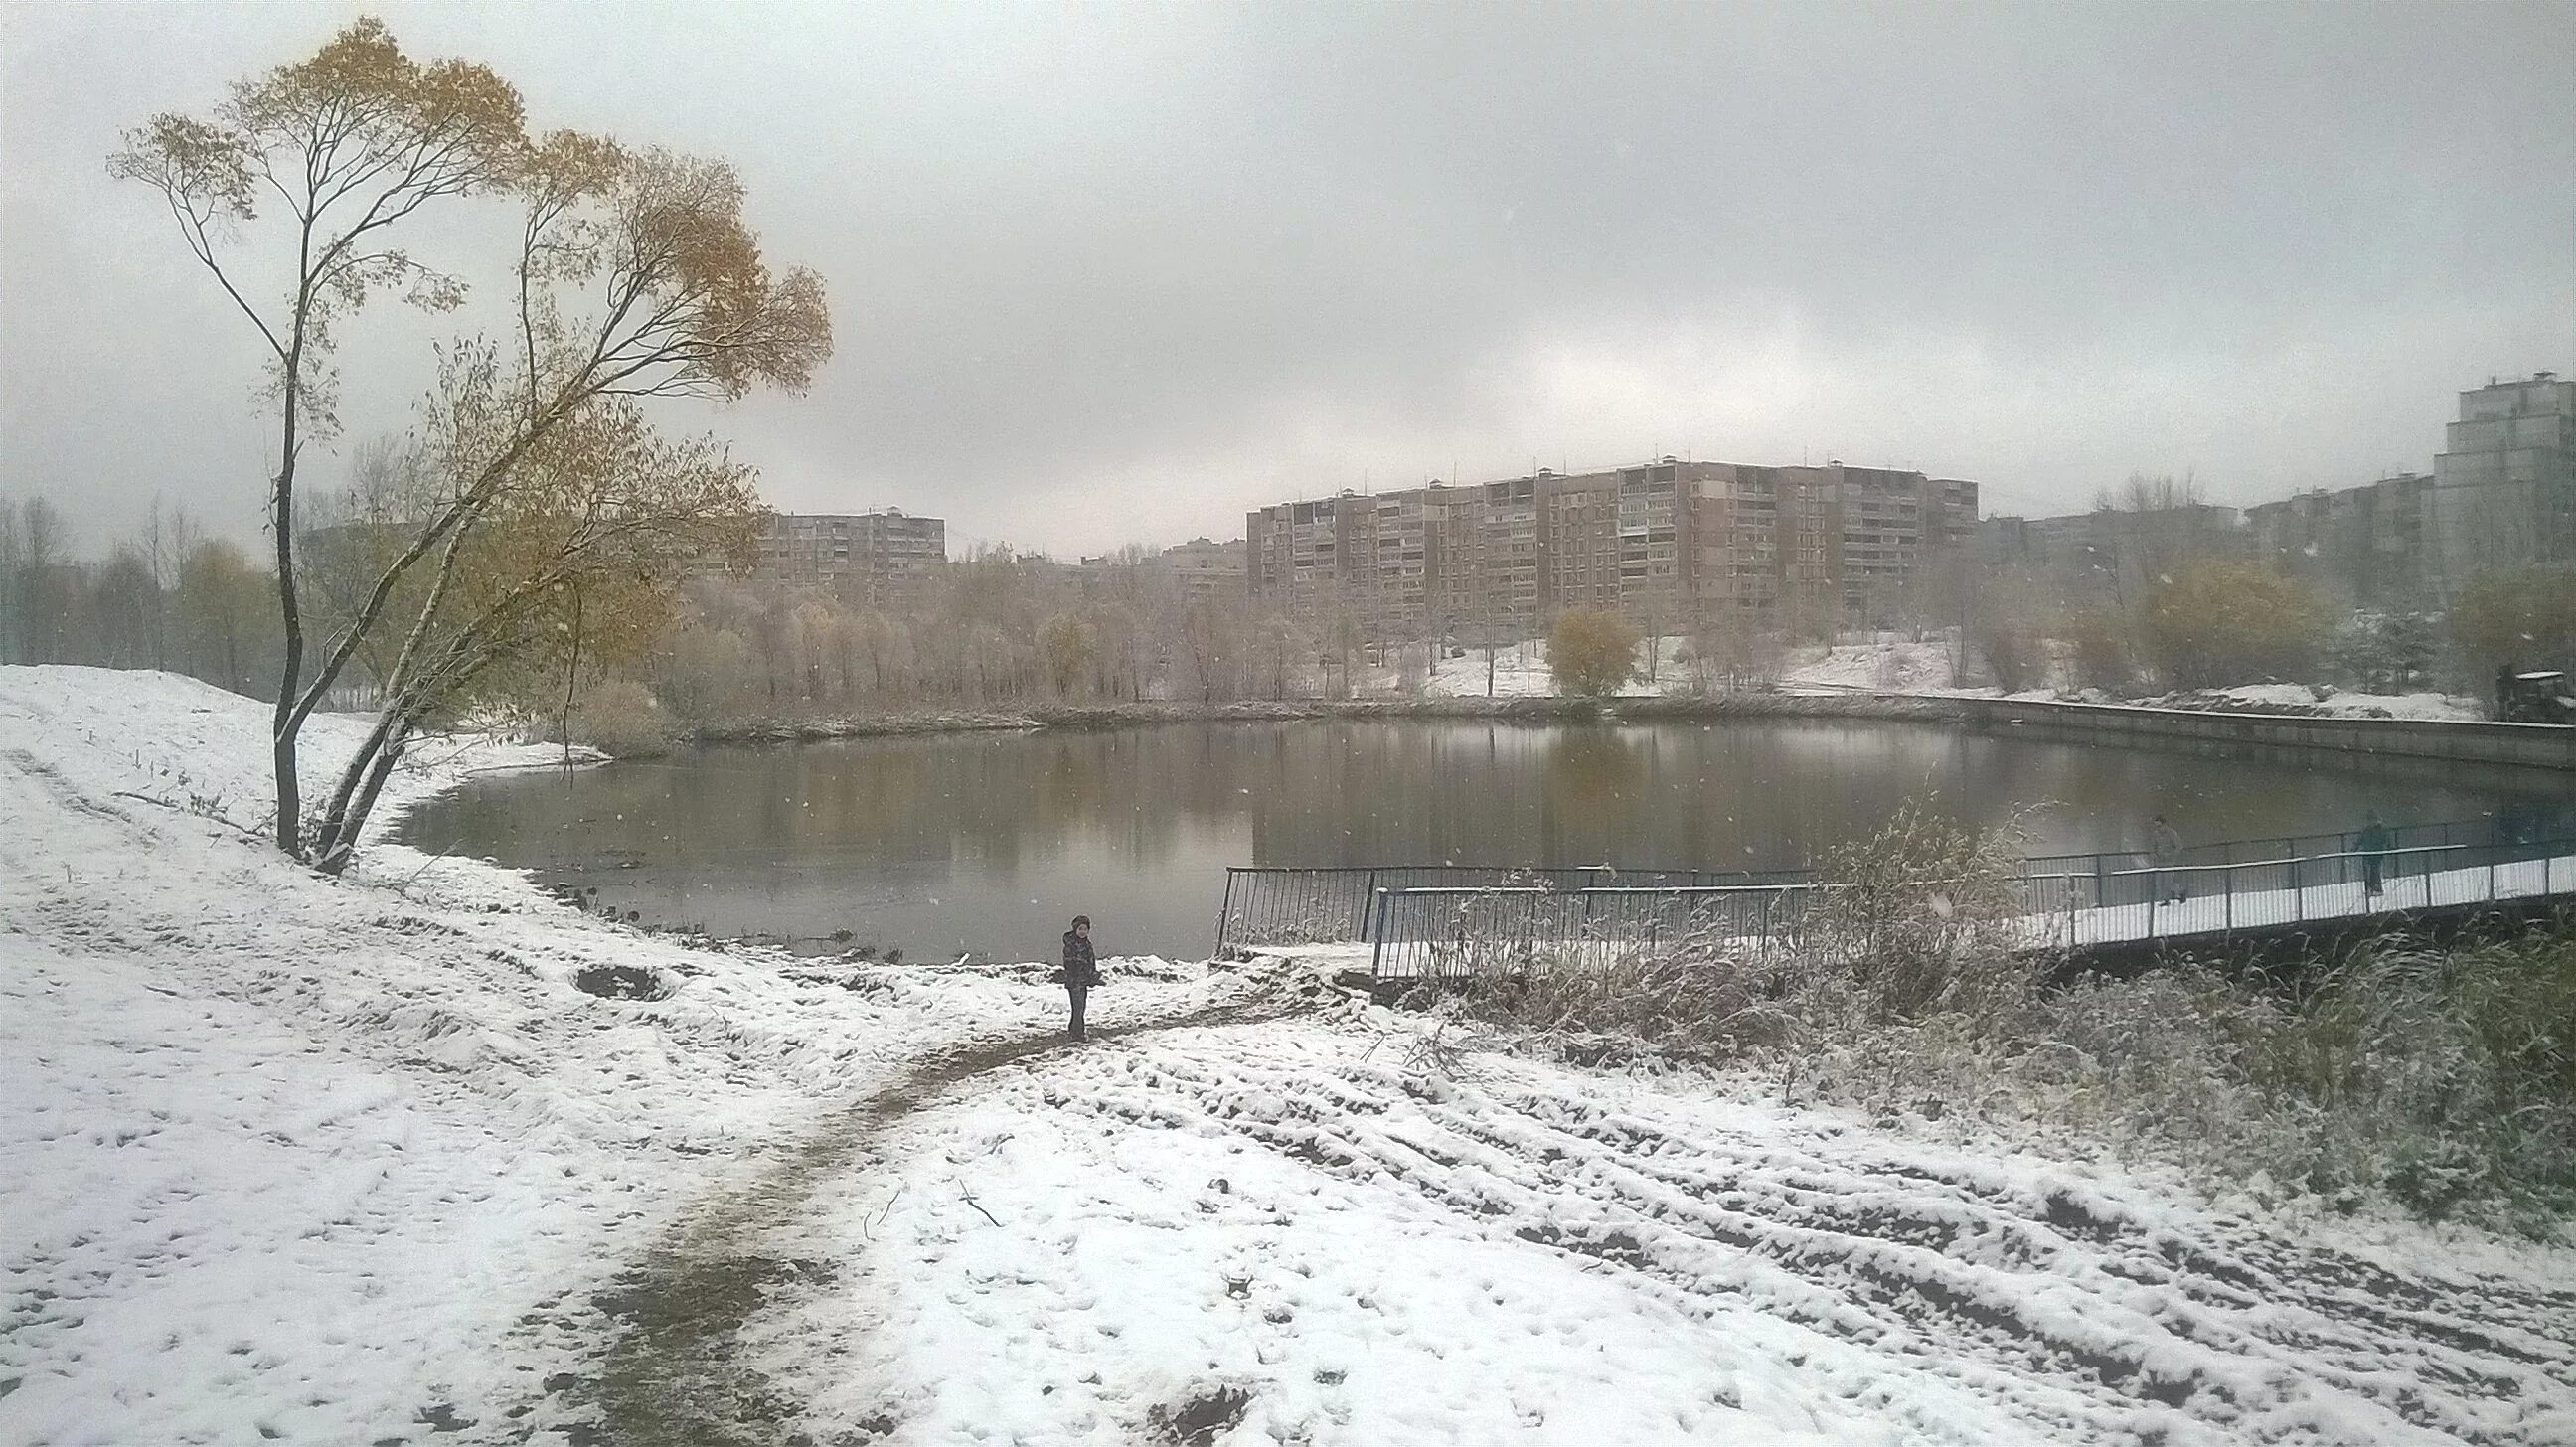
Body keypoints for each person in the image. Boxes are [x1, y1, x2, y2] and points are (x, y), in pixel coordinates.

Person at [1060, 914, 1100, 1042]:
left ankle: (1074, 1029)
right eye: (1080, 929)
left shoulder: (1088, 944)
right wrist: (1077, 968)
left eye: (1085, 929)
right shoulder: (1070, 944)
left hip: (1084, 981)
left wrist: (1092, 974)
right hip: (1074, 980)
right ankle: (1078, 1033)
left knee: (1081, 1006)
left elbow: (1091, 960)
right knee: (1077, 1007)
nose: (1083, 932)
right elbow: (1069, 961)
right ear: (1075, 930)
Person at [2146, 814, 2186, 904]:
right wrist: (2153, 854)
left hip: (2169, 861)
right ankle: (2165, 899)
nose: (2158, 828)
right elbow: (2151, 846)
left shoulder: (2171, 833)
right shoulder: (2155, 834)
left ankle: (2180, 892)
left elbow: (2179, 846)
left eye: (2159, 826)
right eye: (2156, 826)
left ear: (2164, 824)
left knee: (2168, 881)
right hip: (2158, 862)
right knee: (2159, 882)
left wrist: (2170, 854)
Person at [2356, 811, 2393, 897]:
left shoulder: (2378, 830)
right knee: (2369, 871)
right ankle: (2371, 889)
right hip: (2369, 852)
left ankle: (2376, 889)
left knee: (2374, 870)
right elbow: (2359, 840)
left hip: (2376, 853)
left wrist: (2389, 847)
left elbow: (2386, 840)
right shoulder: (2367, 830)